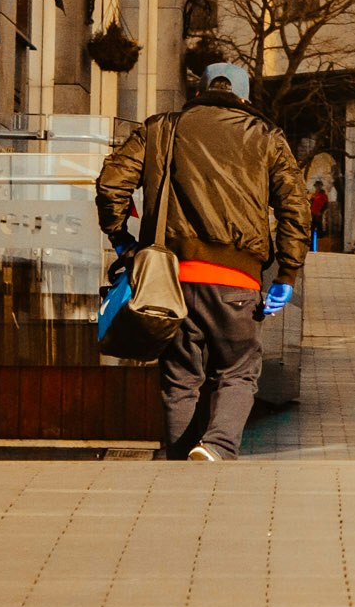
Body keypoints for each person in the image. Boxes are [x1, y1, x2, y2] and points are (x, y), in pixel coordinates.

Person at [96, 60, 308, 462]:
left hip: (169, 281)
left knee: (179, 379)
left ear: (200, 91)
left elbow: (112, 183)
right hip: (236, 281)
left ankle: (178, 461)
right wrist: (287, 273)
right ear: (243, 96)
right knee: (238, 370)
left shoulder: (161, 128)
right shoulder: (266, 137)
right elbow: (294, 208)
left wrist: (122, 238)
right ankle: (217, 447)